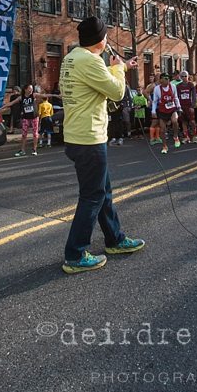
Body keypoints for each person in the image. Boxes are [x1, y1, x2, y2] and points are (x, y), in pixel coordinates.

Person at [59, 16, 144, 274]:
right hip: (90, 138)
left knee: (103, 192)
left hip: (76, 135)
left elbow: (95, 79)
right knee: (93, 196)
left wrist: (121, 67)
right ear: (101, 40)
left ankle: (115, 239)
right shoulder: (92, 60)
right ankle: (75, 253)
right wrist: (118, 69)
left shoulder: (72, 57)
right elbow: (117, 92)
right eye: (106, 36)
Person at [3, 84, 53, 156]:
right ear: (25, 89)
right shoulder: (21, 97)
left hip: (34, 117)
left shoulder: (33, 95)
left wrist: (56, 95)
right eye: (30, 89)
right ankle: (22, 150)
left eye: (32, 89)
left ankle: (34, 149)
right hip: (26, 117)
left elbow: (44, 95)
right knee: (24, 134)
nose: (31, 90)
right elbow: (12, 103)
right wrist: (2, 108)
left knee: (35, 133)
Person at [151, 73, 182, 154]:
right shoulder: (157, 89)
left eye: (168, 79)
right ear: (161, 80)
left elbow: (176, 97)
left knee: (175, 121)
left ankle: (176, 136)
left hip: (172, 108)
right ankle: (164, 146)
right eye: (165, 79)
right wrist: (153, 111)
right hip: (162, 110)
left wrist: (179, 107)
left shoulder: (173, 86)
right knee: (162, 129)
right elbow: (155, 101)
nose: (168, 80)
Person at [176, 71, 197, 144]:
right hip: (182, 106)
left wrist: (192, 106)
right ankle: (186, 137)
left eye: (185, 76)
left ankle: (194, 136)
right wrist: (178, 107)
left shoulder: (191, 85)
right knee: (183, 121)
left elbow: (194, 96)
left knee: (192, 121)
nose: (184, 78)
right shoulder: (178, 86)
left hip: (189, 106)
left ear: (188, 76)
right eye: (182, 76)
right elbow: (177, 97)